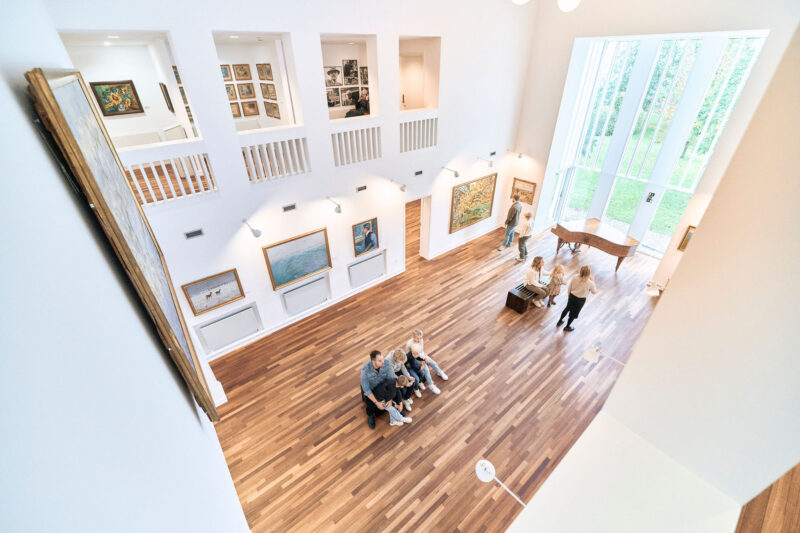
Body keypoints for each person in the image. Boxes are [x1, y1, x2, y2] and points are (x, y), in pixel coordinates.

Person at [360, 350, 411, 429]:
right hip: (373, 391)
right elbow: (366, 390)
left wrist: (397, 402)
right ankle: (370, 415)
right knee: (370, 404)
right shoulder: (365, 371)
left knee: (395, 392)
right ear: (373, 361)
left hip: (385, 387)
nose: (383, 362)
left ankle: (395, 412)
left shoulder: (386, 363)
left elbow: (393, 381)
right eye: (380, 361)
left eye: (383, 359)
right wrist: (377, 403)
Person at [406, 329, 448, 394]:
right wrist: (423, 360)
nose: (419, 340)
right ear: (413, 337)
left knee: (432, 362)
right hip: (415, 358)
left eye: (420, 338)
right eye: (417, 338)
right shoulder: (409, 344)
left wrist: (425, 358)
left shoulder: (421, 340)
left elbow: (421, 351)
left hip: (421, 355)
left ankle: (439, 372)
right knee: (426, 369)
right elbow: (411, 355)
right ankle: (431, 385)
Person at [557, 265, 597, 331]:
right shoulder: (590, 283)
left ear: (581, 271)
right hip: (580, 300)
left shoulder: (575, 277)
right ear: (589, 274)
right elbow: (594, 292)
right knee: (573, 313)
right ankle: (567, 326)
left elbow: (570, 287)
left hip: (572, 296)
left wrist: (569, 294)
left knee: (567, 308)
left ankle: (559, 321)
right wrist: (593, 281)